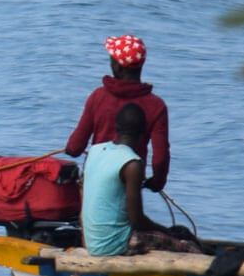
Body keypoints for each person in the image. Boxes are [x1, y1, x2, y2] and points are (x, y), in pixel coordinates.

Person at [82, 103, 202, 256]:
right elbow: (137, 220)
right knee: (188, 247)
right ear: (142, 133)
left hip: (93, 241)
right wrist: (166, 232)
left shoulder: (95, 150)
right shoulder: (132, 163)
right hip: (115, 244)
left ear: (116, 127)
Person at [63, 34, 171, 193]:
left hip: (95, 179)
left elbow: (75, 148)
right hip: (130, 183)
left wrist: (70, 149)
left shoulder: (98, 96)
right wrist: (156, 183)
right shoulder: (156, 106)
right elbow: (160, 158)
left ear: (117, 66)